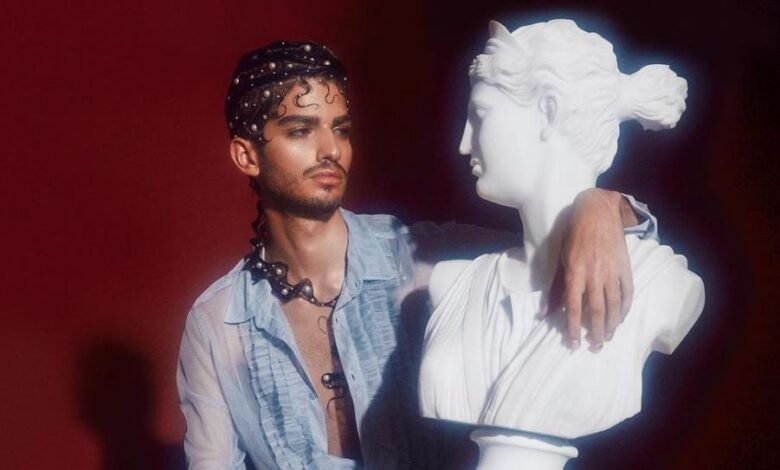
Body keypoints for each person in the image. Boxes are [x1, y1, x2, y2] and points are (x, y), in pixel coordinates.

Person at [177, 40, 658, 469]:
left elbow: (550, 249)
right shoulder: (219, 322)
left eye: (340, 129)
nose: (331, 150)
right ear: (247, 156)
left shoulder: (420, 254)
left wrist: (599, 206)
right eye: (301, 130)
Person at [419, 20, 705, 469]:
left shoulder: (662, 285)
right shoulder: (453, 283)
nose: (463, 143)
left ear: (549, 112)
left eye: (480, 115)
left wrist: (602, 205)